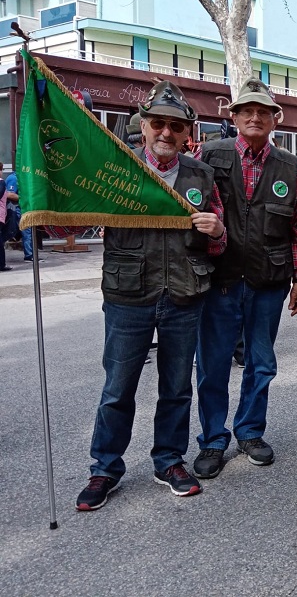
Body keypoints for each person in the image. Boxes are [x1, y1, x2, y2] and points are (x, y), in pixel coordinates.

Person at [76, 81, 226, 510]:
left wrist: (218, 230)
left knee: (177, 388)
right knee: (117, 389)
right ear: (143, 126)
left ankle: (169, 460)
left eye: (176, 126)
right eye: (158, 123)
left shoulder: (201, 175)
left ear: (187, 133)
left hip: (184, 294)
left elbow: (219, 241)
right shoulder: (117, 167)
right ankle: (105, 468)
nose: (166, 132)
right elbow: (73, 221)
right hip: (128, 295)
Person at [193, 79, 297, 478]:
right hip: (220, 280)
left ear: (275, 119)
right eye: (247, 111)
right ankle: (212, 439)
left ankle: (250, 431)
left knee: (261, 363)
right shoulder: (210, 154)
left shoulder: (291, 166)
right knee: (212, 364)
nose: (255, 117)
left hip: (268, 281)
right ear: (235, 116)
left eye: (263, 112)